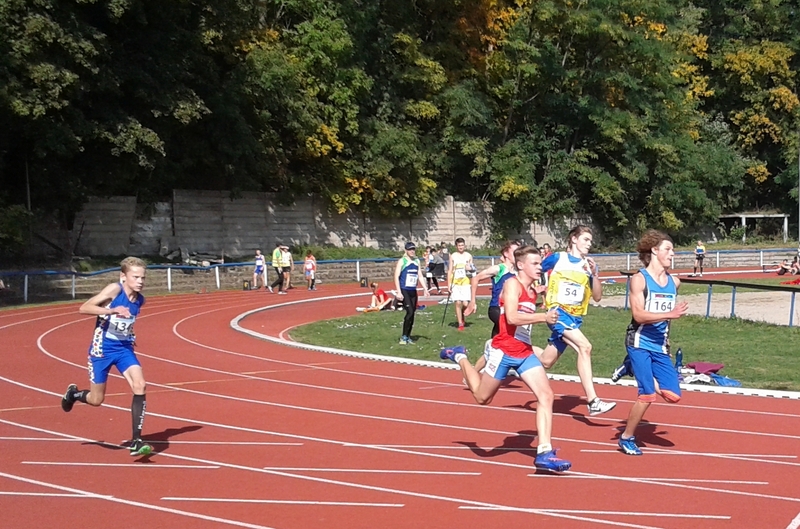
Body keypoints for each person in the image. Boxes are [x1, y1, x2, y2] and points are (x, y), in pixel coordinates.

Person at [440, 246, 571, 472]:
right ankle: (460, 356)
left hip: (524, 352)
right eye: (535, 263)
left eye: (540, 263)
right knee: (482, 398)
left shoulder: (531, 290)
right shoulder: (512, 284)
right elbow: (511, 317)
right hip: (504, 351)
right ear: (521, 265)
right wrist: (543, 317)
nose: (540, 267)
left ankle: (544, 451)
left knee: (546, 395)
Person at [61, 257, 153, 457]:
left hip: (124, 349)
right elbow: (84, 308)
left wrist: (129, 334)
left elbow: (126, 322)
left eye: (143, 278)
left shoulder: (140, 300)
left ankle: (136, 441)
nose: (140, 281)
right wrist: (111, 310)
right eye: (135, 277)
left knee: (140, 385)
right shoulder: (114, 290)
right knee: (96, 400)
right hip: (101, 350)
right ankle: (74, 395)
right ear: (123, 276)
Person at [617, 230, 688, 455]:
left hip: (659, 345)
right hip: (639, 341)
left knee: (673, 396)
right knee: (647, 394)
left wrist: (667, 333)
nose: (672, 254)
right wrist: (670, 314)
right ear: (655, 251)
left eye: (673, 250)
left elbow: (666, 319)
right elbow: (638, 315)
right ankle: (626, 438)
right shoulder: (639, 280)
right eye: (668, 249)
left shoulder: (674, 282)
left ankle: (630, 366)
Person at [537, 225, 616, 416]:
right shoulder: (558, 258)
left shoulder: (588, 265)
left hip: (574, 318)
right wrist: (533, 288)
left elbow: (597, 297)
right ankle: (593, 401)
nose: (589, 244)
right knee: (585, 347)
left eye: (590, 241)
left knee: (546, 361)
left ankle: (515, 347)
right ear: (574, 239)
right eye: (585, 239)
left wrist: (594, 274)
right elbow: (535, 269)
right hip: (557, 313)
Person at [394, 242, 429, 344]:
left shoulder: (416, 261)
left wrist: (425, 288)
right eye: (410, 249)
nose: (412, 251)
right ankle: (403, 336)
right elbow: (396, 276)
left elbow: (420, 276)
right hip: (404, 289)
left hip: (413, 290)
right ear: (406, 250)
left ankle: (408, 336)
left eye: (413, 249)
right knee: (409, 312)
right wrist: (399, 292)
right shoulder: (402, 261)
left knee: (412, 313)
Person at [448, 237, 474, 330]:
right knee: (458, 302)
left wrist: (470, 269)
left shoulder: (468, 256)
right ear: (456, 246)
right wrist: (449, 284)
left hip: (465, 281)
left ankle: (462, 314)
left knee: (466, 304)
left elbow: (473, 270)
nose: (461, 247)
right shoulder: (453, 256)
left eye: (462, 245)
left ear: (464, 245)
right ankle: (460, 324)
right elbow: (450, 270)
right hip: (455, 282)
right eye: (459, 245)